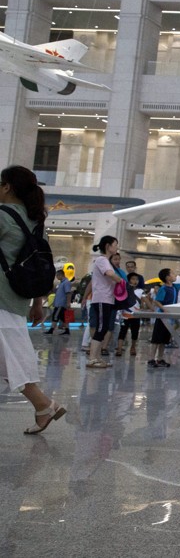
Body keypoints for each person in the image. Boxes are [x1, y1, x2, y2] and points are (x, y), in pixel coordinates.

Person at [0, 165, 66, 435]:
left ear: (6, 187)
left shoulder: (2, 216)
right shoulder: (36, 223)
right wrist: (38, 303)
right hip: (16, 300)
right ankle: (43, 406)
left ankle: (44, 405)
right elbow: (43, 266)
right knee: (9, 355)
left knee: (10, 356)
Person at [85, 235, 119, 368]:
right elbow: (110, 274)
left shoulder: (106, 261)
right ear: (108, 246)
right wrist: (121, 281)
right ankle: (92, 358)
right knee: (101, 328)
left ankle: (96, 357)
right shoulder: (101, 260)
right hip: (101, 299)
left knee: (103, 328)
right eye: (115, 245)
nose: (117, 247)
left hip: (107, 299)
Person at [147, 268, 177, 368]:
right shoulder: (163, 288)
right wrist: (163, 309)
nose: (175, 275)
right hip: (162, 317)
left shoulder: (173, 287)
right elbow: (157, 301)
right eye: (173, 273)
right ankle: (151, 359)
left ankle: (160, 359)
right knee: (156, 339)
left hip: (169, 318)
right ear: (168, 277)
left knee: (164, 340)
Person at [46, 269, 73, 335]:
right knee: (64, 318)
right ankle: (67, 330)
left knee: (55, 316)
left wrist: (68, 303)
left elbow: (68, 293)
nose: (56, 277)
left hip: (61, 304)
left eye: (57, 275)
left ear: (61, 275)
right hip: (58, 303)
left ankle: (51, 330)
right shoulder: (62, 283)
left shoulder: (66, 282)